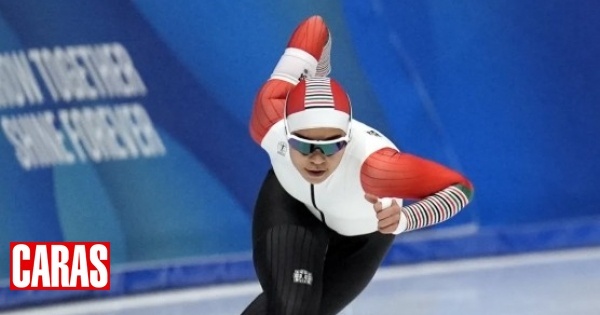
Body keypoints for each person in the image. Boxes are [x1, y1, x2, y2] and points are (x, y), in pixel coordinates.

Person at [242, 15, 474, 315]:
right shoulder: (268, 118)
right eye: (304, 144)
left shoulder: (377, 168)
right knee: (292, 307)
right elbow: (315, 28)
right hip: (292, 203)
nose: (316, 158)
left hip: (363, 235)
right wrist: (319, 80)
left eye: (331, 146)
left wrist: (405, 219)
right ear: (285, 133)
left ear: (348, 139)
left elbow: (460, 189)